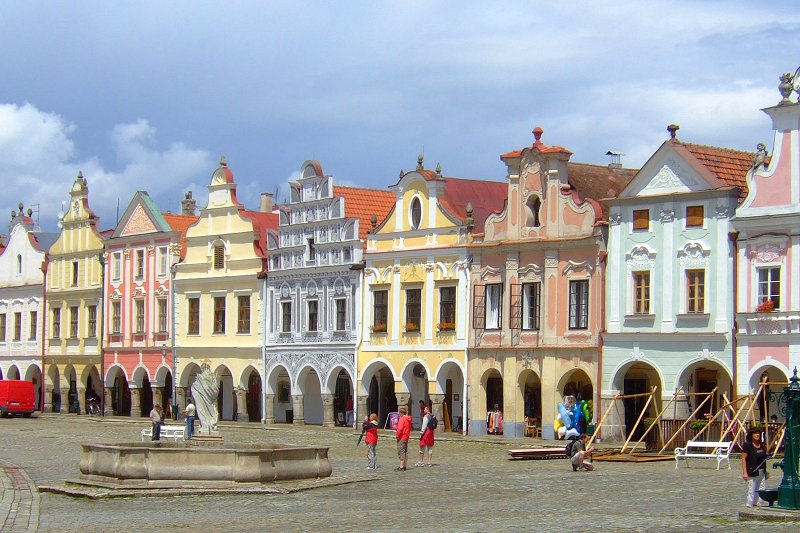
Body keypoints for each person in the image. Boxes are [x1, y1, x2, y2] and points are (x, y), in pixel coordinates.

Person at [741, 427, 768, 507]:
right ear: (751, 435)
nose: (758, 435)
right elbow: (743, 459)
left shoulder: (762, 445)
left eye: (758, 433)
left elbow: (763, 456)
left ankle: (760, 503)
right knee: (752, 488)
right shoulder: (747, 445)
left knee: (762, 488)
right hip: (752, 470)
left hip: (762, 470)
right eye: (755, 433)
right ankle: (750, 504)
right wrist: (745, 473)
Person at [395, 406, 412, 471]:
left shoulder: (402, 419)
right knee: (405, 451)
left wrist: (397, 435)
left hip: (402, 436)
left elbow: (400, 429)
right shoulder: (408, 419)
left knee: (401, 450)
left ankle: (401, 466)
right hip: (406, 436)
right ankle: (405, 465)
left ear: (401, 413)